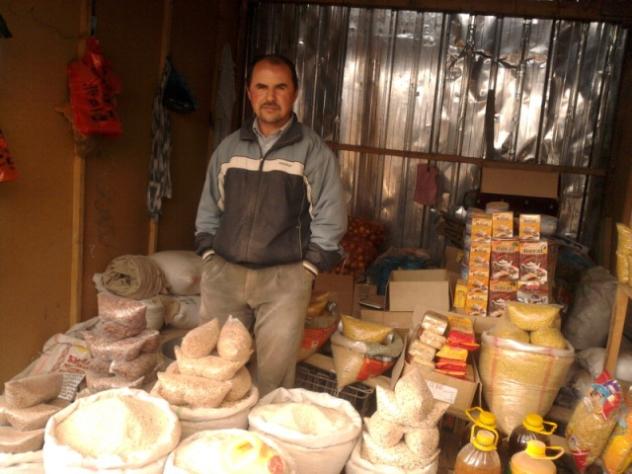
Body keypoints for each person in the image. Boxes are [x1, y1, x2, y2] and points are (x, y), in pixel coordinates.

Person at [194, 54, 347, 396]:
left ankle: (262, 428)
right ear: (250, 93)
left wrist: (308, 268)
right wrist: (208, 254)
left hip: (283, 280)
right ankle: (218, 427)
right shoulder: (229, 149)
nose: (270, 96)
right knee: (214, 367)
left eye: (280, 87)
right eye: (262, 87)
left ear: (295, 93)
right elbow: (209, 206)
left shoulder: (313, 153)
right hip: (224, 276)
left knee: (272, 376)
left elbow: (331, 215)